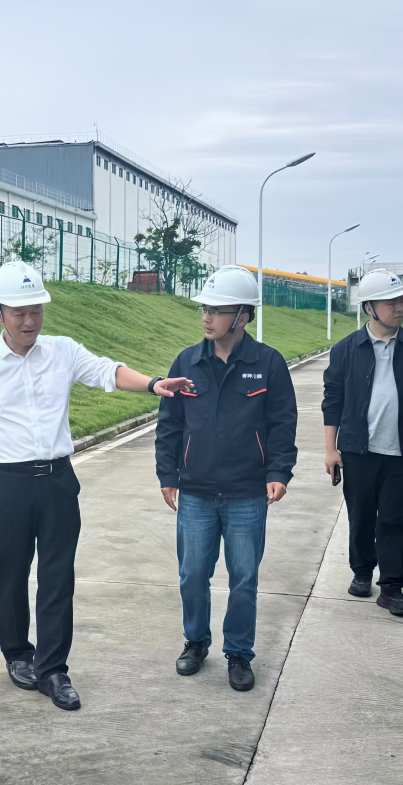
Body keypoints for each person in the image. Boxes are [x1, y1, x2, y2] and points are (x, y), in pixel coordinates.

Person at [0, 261, 192, 711]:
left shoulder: (62, 351)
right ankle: (17, 654)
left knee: (58, 576)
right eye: (20, 313)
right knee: (12, 572)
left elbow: (108, 371)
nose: (30, 321)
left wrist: (153, 384)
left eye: (36, 311)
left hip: (58, 480)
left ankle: (52, 669)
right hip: (8, 483)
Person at [155, 267, 298, 692]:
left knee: (244, 579)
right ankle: (196, 642)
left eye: (216, 311)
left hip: (247, 494)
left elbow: (282, 424)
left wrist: (279, 472)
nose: (206, 317)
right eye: (205, 309)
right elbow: (170, 424)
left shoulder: (268, 363)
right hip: (196, 493)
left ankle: (239, 653)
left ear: (242, 316)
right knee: (192, 575)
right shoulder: (187, 362)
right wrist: (167, 473)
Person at [322, 269, 403, 618]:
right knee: (360, 516)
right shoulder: (345, 350)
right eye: (390, 302)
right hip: (358, 450)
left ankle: (391, 588)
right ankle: (361, 572)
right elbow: (333, 401)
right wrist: (331, 450)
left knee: (392, 519)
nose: (399, 307)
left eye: (400, 300)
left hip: (402, 450)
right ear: (369, 308)